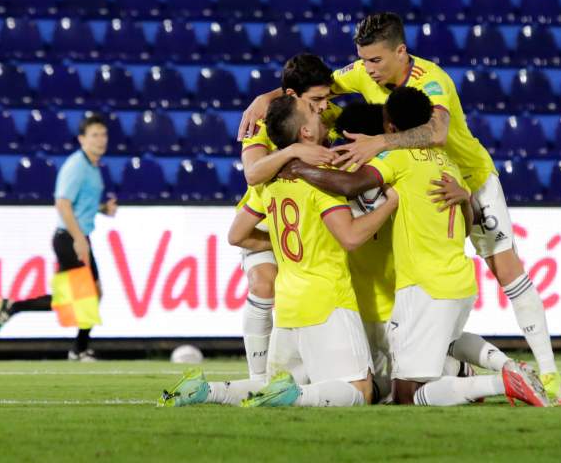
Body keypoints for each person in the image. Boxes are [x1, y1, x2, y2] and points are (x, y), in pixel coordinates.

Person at [239, 13, 561, 404]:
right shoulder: (362, 73)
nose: (367, 69)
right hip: (415, 180)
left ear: (401, 51)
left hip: (469, 177)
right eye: (363, 60)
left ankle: (548, 374)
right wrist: (266, 97)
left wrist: (377, 144)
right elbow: (313, 89)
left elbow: (437, 132)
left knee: (505, 268)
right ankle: (470, 368)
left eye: (375, 61)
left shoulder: (431, 80)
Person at [284, 87, 548, 407]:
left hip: (423, 285)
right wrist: (465, 198)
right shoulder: (448, 162)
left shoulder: (398, 157)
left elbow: (348, 184)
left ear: (391, 128)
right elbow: (469, 225)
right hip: (460, 280)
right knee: (446, 344)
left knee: (405, 395)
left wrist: (298, 167)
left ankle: (499, 381)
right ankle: (495, 369)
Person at [159, 95, 397, 408]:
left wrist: (293, 241)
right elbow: (351, 237)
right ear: (306, 134)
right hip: (327, 300)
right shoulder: (324, 175)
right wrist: (391, 204)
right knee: (360, 391)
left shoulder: (271, 177)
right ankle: (297, 397)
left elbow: (237, 234)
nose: (321, 110)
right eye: (312, 110)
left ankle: (208, 390)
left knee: (270, 385)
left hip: (287, 304)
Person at [233, 53, 337, 381]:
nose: (323, 106)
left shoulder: (329, 113)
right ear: (293, 96)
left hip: (311, 222)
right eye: (316, 99)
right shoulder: (262, 124)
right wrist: (292, 151)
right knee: (264, 282)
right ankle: (258, 379)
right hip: (266, 219)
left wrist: (265, 95)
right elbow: (252, 173)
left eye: (327, 98)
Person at [0, 114, 116, 361]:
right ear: (82, 139)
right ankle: (78, 350)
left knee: (75, 297)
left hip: (77, 237)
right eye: (94, 135)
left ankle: (14, 308)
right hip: (70, 238)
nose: (100, 140)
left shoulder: (92, 167)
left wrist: (102, 209)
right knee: (88, 294)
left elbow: (80, 204)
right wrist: (79, 239)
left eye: (103, 134)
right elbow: (62, 203)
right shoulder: (77, 166)